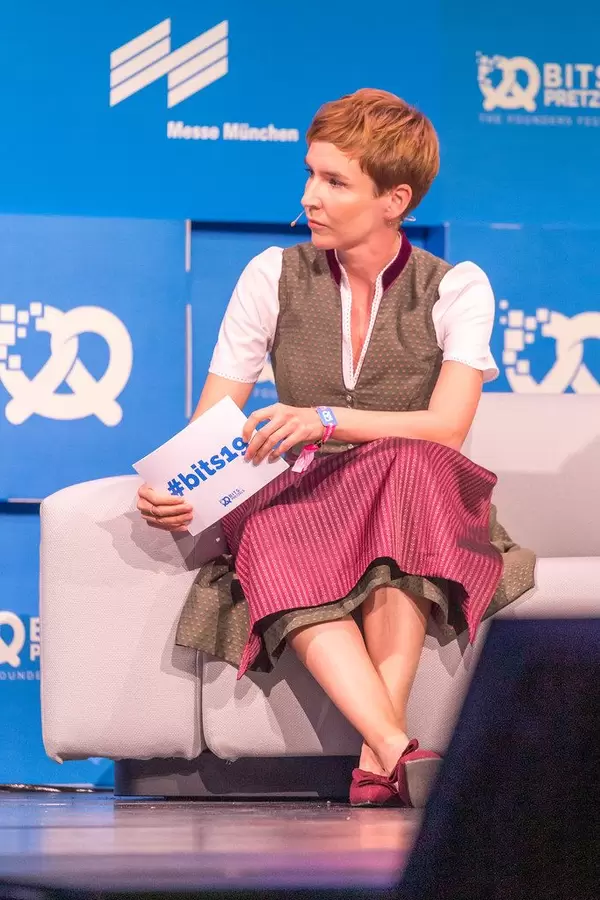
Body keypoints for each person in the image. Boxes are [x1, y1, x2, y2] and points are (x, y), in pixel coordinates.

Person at [136, 88, 536, 808]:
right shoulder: (272, 275)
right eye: (311, 174)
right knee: (272, 518)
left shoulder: (456, 288)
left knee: (412, 470)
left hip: (414, 501)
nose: (309, 196)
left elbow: (447, 426)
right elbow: (215, 424)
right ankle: (390, 747)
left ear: (394, 199)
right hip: (301, 497)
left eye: (334, 181)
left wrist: (325, 419)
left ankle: (383, 751)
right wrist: (177, 486)